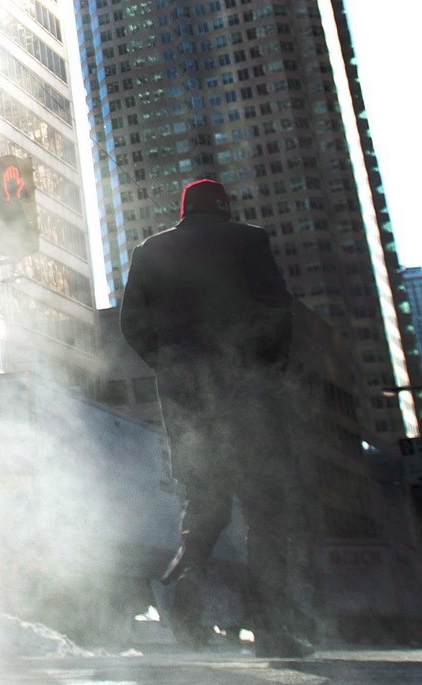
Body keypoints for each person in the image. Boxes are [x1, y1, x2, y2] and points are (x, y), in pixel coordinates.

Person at [120, 178, 312, 657]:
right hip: (249, 401)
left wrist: (170, 365)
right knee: (265, 515)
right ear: (223, 207)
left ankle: (185, 614)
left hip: (188, 407)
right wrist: (267, 366)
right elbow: (277, 311)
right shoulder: (249, 240)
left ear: (184, 210)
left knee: (204, 510)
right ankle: (270, 630)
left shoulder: (150, 251)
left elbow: (132, 325)